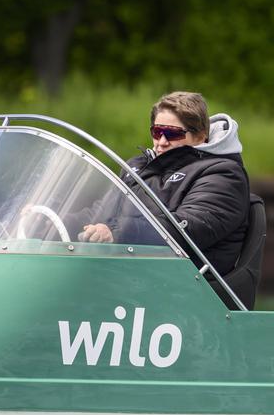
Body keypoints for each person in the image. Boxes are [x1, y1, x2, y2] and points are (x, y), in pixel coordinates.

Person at [79, 91, 250, 277]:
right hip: (129, 276)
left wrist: (116, 232)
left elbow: (185, 229)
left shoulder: (224, 174)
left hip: (184, 286)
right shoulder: (138, 166)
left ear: (200, 137)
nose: (161, 141)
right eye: (157, 132)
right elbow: (101, 212)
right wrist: (51, 221)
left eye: (172, 134)